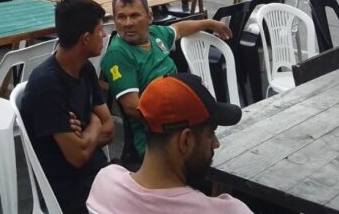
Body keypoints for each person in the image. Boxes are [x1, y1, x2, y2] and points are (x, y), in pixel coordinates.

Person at [87, 73, 249, 214]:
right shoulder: (230, 210)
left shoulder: (104, 184)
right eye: (211, 133)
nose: (216, 143)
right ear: (186, 140)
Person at [101, 0, 232, 158]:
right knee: (214, 150)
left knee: (229, 123)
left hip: (182, 116)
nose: (128, 23)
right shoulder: (119, 53)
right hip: (157, 138)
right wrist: (180, 122)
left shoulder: (155, 35)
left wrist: (209, 23)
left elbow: (179, 28)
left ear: (149, 17)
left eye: (134, 15)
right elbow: (134, 108)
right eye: (121, 17)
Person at [19, 0, 114, 214]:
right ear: (86, 38)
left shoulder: (86, 69)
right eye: (101, 30)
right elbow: (78, 157)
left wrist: (86, 134)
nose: (105, 35)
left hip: (98, 174)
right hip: (69, 192)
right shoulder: (47, 85)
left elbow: (110, 130)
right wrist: (95, 122)